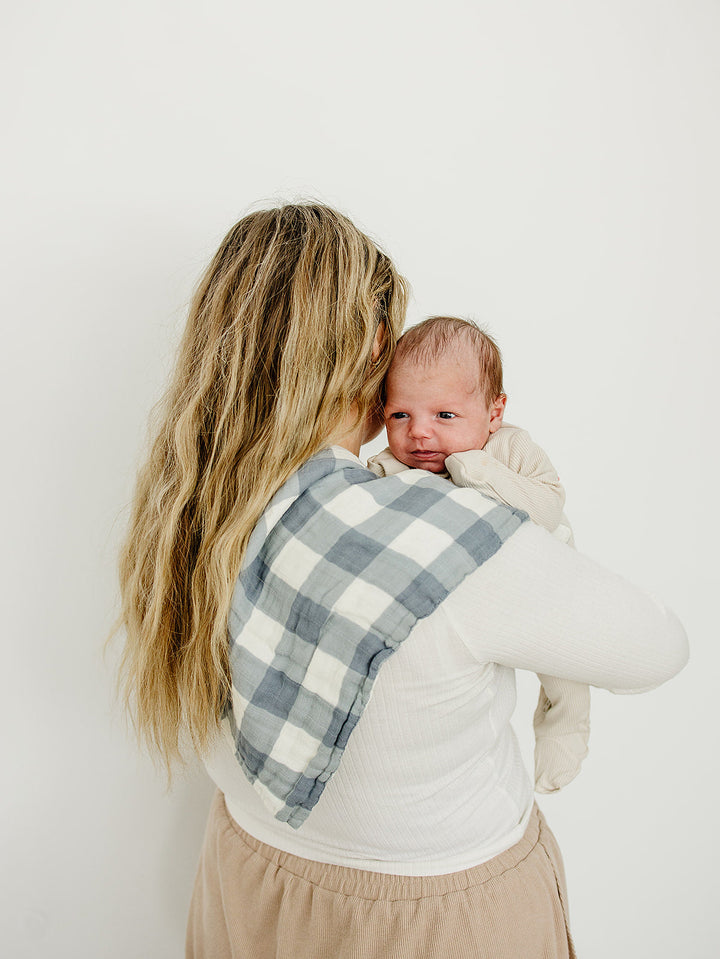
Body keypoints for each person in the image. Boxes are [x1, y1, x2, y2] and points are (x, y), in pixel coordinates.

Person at [117, 203, 688, 959]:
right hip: (433, 917)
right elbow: (659, 647)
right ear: (366, 349)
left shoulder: (192, 508)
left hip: (246, 880)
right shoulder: (448, 533)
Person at [367, 315, 589, 794]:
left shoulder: (509, 449)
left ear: (494, 411)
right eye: (400, 416)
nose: (420, 434)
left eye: (444, 416)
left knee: (565, 665)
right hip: (470, 597)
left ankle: (565, 726)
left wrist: (474, 467)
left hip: (547, 580)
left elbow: (548, 507)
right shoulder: (393, 466)